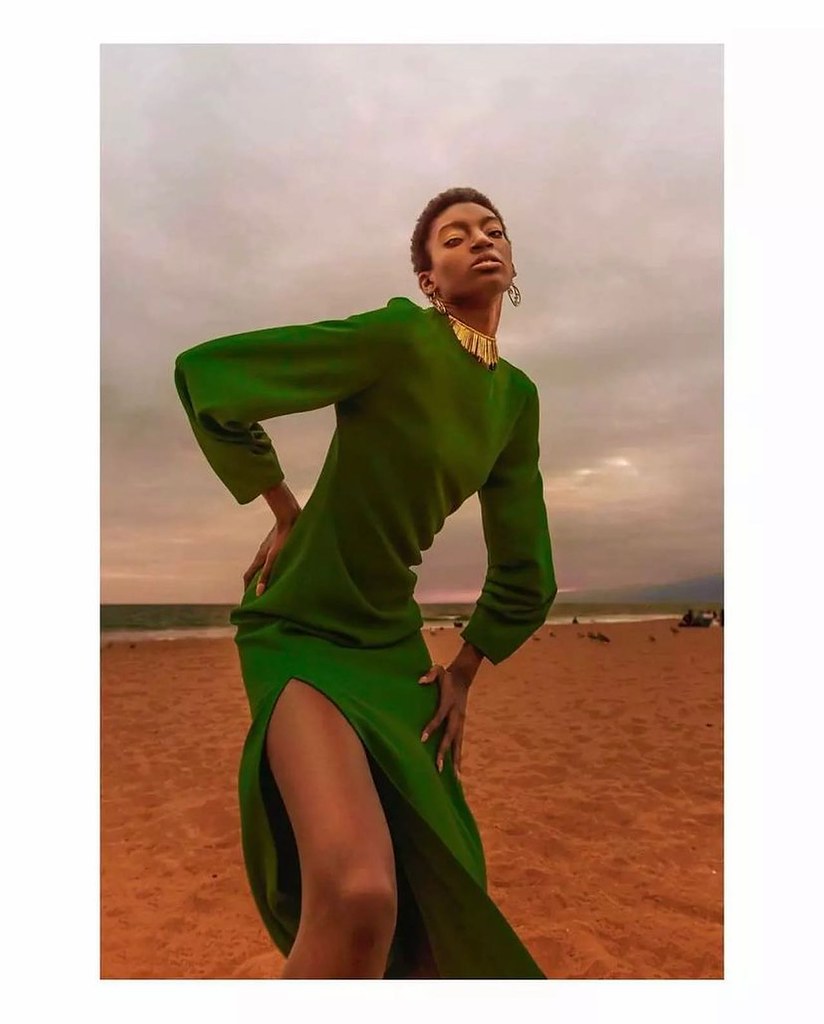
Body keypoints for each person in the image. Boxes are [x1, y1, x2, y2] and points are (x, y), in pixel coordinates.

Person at [173, 187, 558, 980]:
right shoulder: (399, 336)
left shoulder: (516, 401)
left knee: (435, 918)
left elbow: (526, 565)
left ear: (513, 262)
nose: (480, 240)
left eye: (493, 230)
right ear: (428, 277)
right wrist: (282, 505)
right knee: (357, 895)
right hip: (300, 626)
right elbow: (212, 374)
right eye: (454, 236)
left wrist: (465, 668)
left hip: (390, 645)